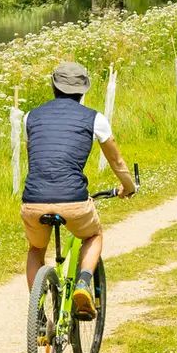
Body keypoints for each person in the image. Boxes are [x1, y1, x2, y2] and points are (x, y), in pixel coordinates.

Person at [20, 61, 136, 321]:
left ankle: (38, 317)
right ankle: (84, 283)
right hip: (73, 201)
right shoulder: (95, 119)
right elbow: (117, 162)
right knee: (94, 235)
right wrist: (128, 187)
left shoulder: (31, 116)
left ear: (53, 87)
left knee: (36, 250)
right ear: (83, 90)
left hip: (33, 201)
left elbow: (35, 157)